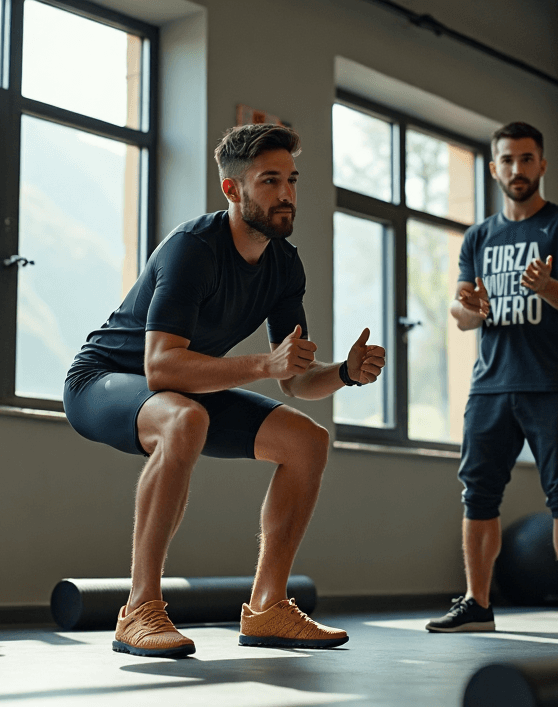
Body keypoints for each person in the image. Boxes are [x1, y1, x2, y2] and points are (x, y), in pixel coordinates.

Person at [63, 124, 386, 658]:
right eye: (269, 181)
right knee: (184, 419)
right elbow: (162, 367)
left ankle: (269, 607)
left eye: (291, 180)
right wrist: (262, 362)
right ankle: (139, 609)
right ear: (233, 191)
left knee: (306, 440)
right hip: (104, 380)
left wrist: (344, 373)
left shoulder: (285, 265)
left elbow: (295, 380)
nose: (286, 194)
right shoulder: (194, 249)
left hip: (191, 387)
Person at [426, 122, 558, 638]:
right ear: (494, 167)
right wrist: (472, 309)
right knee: (478, 496)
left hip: (552, 383)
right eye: (508, 160)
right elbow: (461, 313)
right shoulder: (479, 237)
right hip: (490, 386)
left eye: (527, 159)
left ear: (542, 165)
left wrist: (547, 285)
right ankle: (478, 603)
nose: (518, 169)